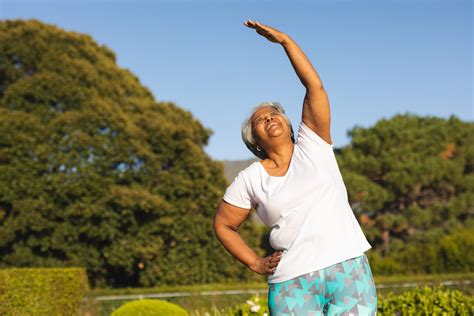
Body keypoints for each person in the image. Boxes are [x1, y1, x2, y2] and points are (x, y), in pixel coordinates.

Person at [213, 19, 377, 315]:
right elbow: (224, 225)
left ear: (289, 125)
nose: (270, 118)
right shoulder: (250, 178)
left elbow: (314, 86)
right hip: (293, 282)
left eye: (275, 114)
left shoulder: (313, 144)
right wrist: (254, 262)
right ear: (256, 141)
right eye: (260, 120)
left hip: (348, 270)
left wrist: (286, 42)